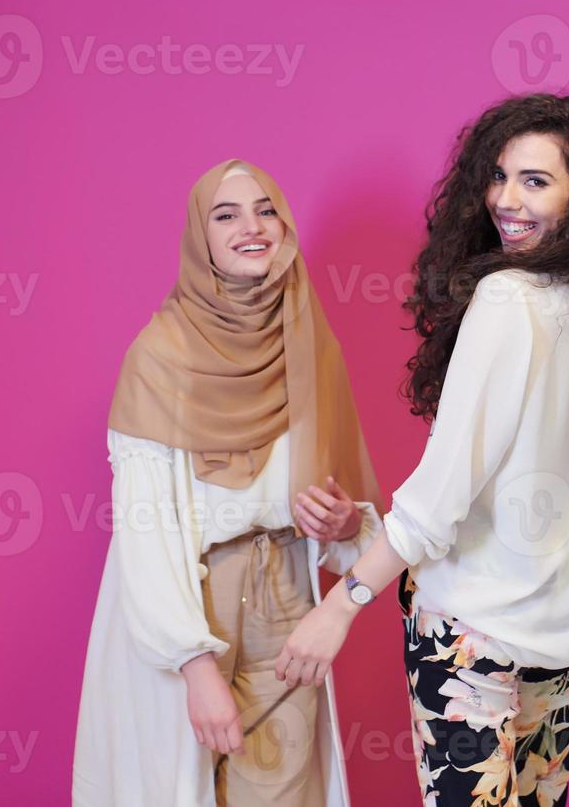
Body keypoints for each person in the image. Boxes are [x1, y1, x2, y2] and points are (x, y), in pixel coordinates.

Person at [275, 93, 569, 806]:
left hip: (473, 637)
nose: (505, 201)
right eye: (499, 175)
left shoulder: (509, 299)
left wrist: (344, 603)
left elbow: (442, 498)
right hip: (568, 637)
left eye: (536, 181)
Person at [72, 160, 382, 806]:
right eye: (227, 214)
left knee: (285, 793)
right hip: (190, 607)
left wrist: (346, 525)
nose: (252, 226)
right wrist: (194, 666)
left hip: (289, 602)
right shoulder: (160, 356)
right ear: (200, 238)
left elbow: (349, 514)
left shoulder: (308, 345)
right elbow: (144, 532)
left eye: (267, 209)